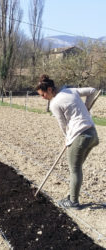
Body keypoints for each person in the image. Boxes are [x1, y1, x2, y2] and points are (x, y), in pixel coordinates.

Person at [35, 74, 99, 209]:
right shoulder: (70, 91)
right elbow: (93, 91)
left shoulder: (54, 103)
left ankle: (73, 202)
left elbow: (63, 125)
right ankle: (72, 195)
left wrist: (67, 138)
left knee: (74, 169)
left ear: (50, 90)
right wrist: (87, 108)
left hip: (80, 136)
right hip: (92, 134)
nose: (43, 98)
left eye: (43, 94)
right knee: (76, 167)